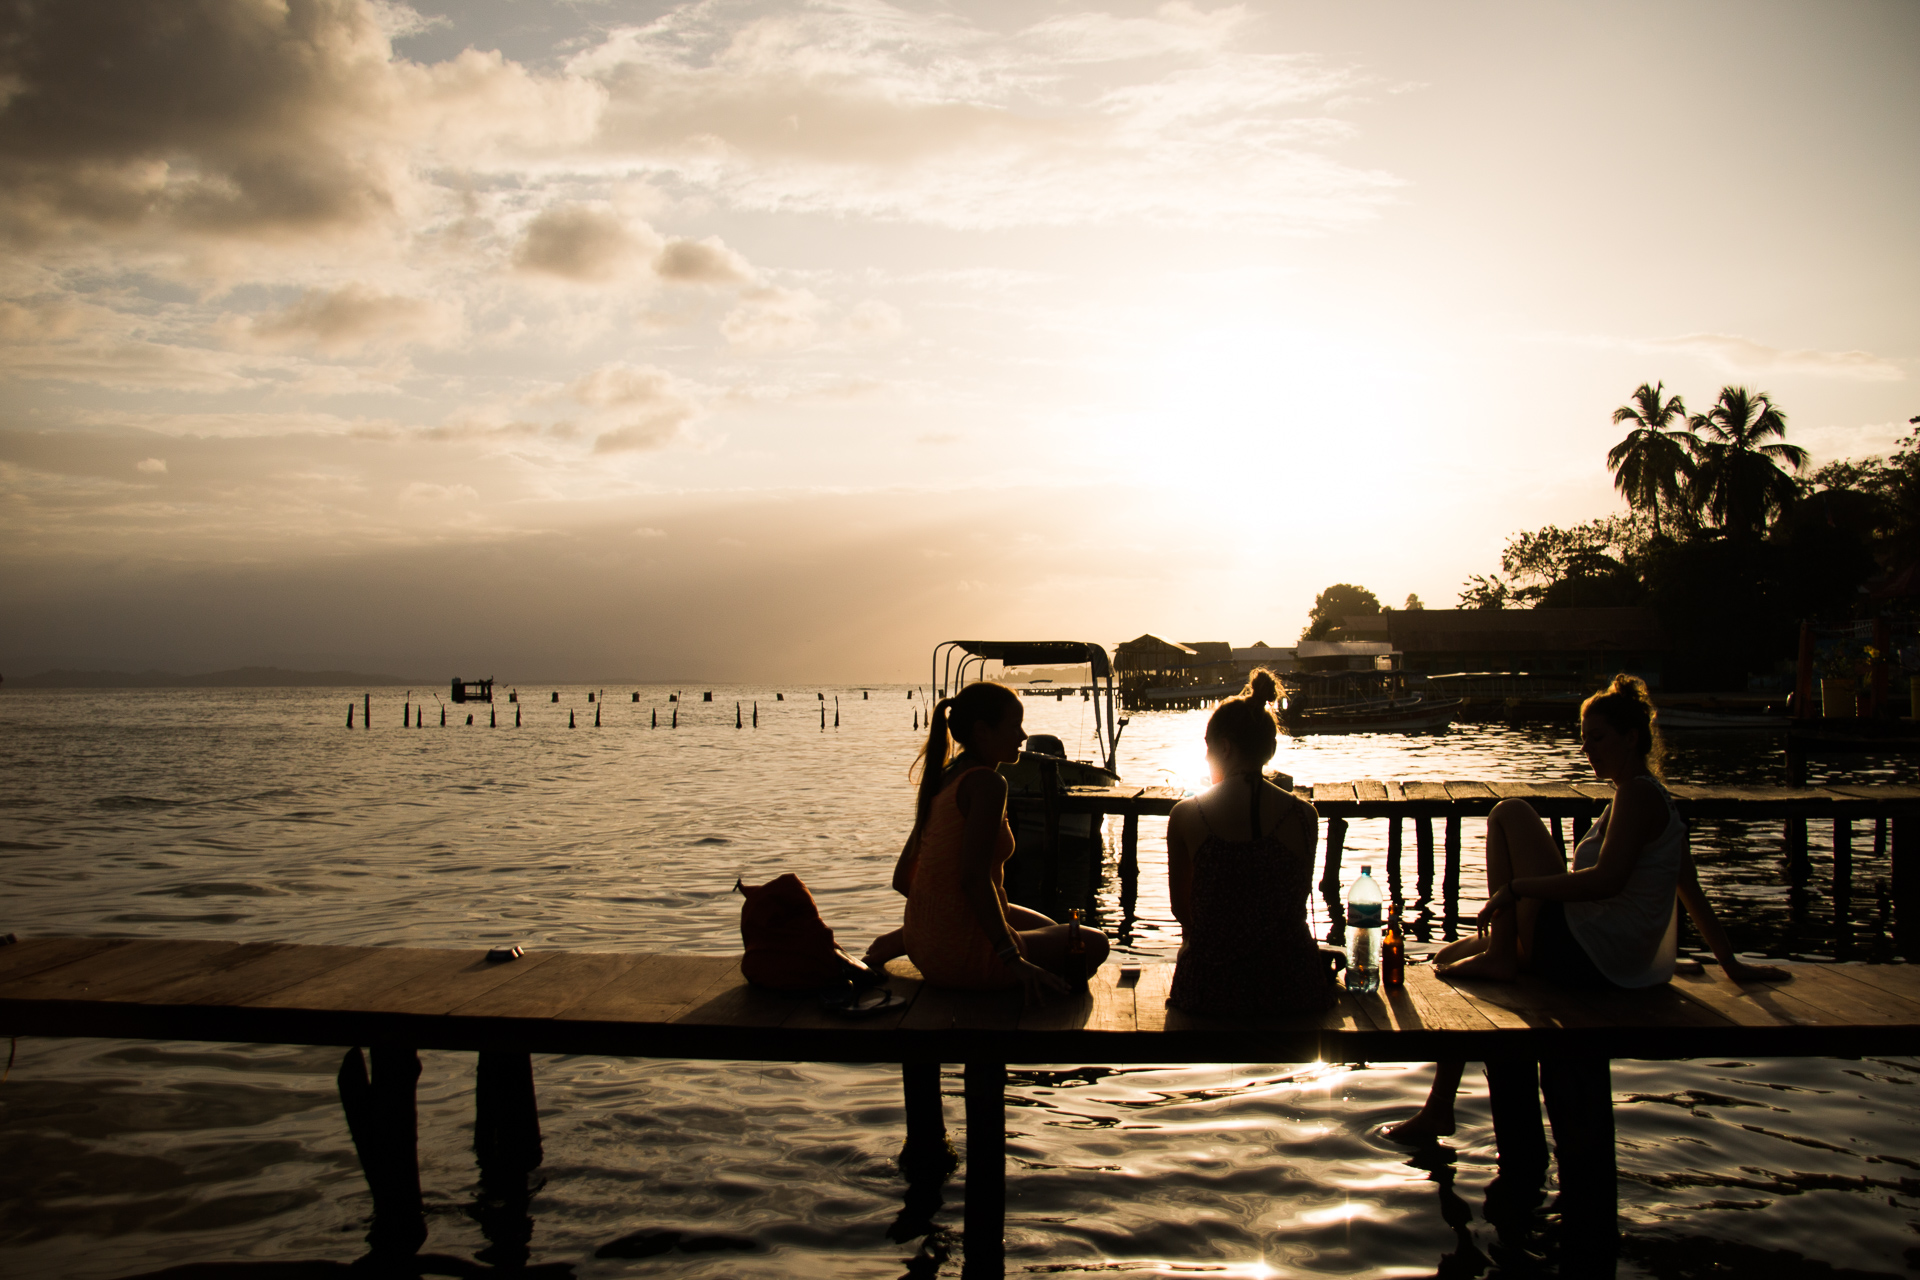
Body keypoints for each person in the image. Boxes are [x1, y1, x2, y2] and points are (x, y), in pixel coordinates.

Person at [1386, 673, 1789, 1143]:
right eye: (1583, 740)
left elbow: (1604, 882)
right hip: (1606, 953)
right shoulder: (1648, 797)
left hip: (1590, 954)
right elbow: (1689, 889)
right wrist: (1731, 963)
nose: (1587, 750)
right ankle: (1438, 1108)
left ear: (1631, 737)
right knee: (1445, 956)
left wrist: (1514, 889)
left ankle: (1495, 971)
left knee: (1510, 811)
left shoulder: (1638, 794)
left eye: (1597, 738)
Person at [865, 680, 1109, 1002]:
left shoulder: (943, 779)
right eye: (1014, 726)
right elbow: (973, 879)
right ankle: (995, 959)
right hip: (963, 960)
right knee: (1094, 943)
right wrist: (1012, 959)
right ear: (982, 731)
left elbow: (902, 880)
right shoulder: (987, 784)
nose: (1023, 736)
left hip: (923, 946)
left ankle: (900, 940)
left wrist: (936, 921)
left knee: (1049, 925)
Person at [1167, 670, 1332, 1017]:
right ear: (1269, 748)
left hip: (1210, 989)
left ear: (1224, 747)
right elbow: (1293, 900)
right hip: (1292, 987)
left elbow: (1183, 911)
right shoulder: (1304, 816)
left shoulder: (1185, 815)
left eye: (1209, 749)